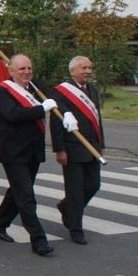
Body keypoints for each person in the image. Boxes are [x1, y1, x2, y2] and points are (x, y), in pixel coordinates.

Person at [0, 54, 59, 256]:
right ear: (11, 71)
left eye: (29, 68)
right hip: (14, 152)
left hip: (34, 150)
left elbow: (55, 97)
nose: (26, 72)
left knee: (18, 192)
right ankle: (39, 240)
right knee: (26, 196)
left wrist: (65, 112)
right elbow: (13, 114)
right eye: (21, 69)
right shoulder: (2, 90)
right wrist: (40, 109)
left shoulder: (35, 85)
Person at [50, 55, 104, 245]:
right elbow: (56, 123)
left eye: (90, 67)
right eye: (83, 68)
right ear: (73, 71)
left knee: (93, 185)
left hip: (92, 147)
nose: (88, 71)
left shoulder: (93, 90)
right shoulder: (61, 92)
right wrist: (60, 150)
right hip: (72, 149)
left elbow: (97, 119)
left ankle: (66, 207)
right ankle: (75, 229)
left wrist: (101, 144)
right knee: (75, 191)